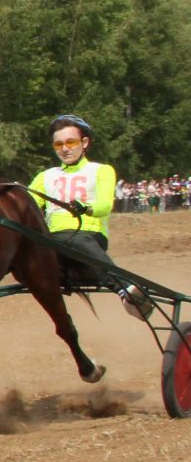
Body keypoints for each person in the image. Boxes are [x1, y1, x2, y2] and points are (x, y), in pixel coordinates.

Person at [32, 113, 146, 318]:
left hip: (88, 236)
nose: (64, 149)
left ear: (84, 142)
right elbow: (27, 205)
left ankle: (125, 289)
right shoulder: (45, 176)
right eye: (58, 144)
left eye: (70, 142)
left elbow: (104, 205)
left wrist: (85, 208)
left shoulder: (101, 171)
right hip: (53, 242)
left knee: (73, 238)